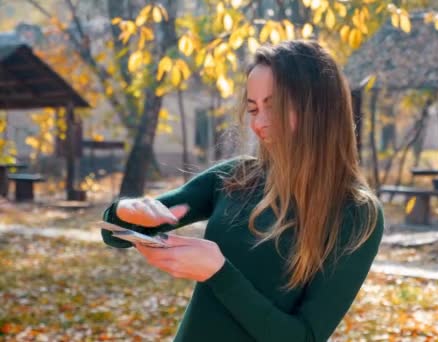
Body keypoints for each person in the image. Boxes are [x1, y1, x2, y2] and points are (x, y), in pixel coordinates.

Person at [101, 40, 385, 342]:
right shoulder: (235, 177)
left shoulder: (357, 213)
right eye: (253, 109)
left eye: (274, 106)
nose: (259, 123)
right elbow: (113, 232)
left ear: (319, 109)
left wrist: (219, 273)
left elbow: (303, 337)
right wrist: (125, 211)